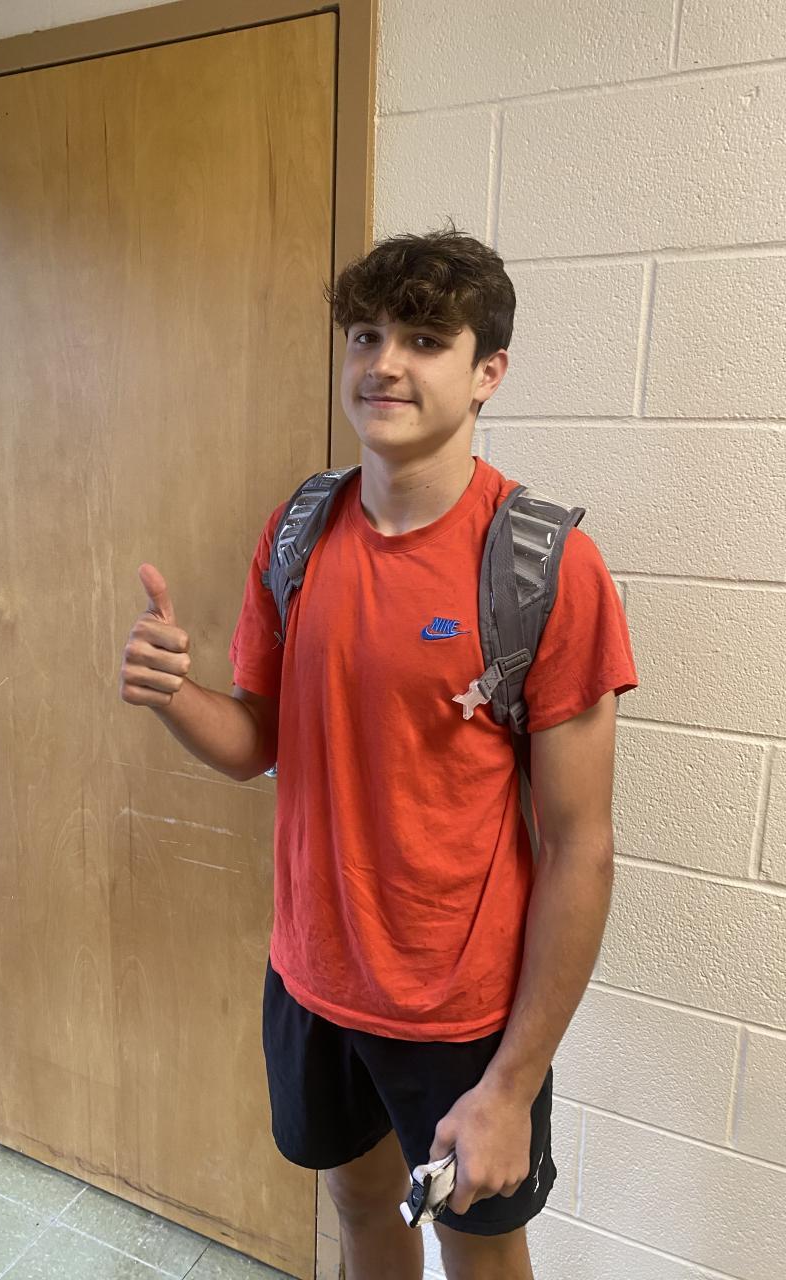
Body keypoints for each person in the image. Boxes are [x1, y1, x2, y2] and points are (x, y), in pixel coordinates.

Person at [120, 225, 638, 1280]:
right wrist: (176, 696)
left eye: (425, 339)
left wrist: (510, 1085)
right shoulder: (299, 531)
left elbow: (580, 848)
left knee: (478, 1251)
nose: (384, 363)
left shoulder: (546, 569)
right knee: (362, 1210)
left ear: (489, 371)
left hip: (461, 1016)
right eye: (366, 335)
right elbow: (257, 742)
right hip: (311, 977)